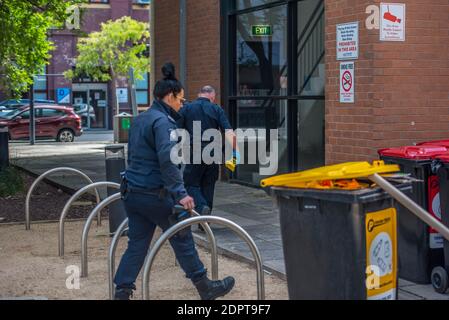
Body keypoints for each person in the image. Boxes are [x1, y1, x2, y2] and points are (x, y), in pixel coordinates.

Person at [113, 63, 235, 300]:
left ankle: (122, 291)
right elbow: (167, 161)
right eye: (180, 99)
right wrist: (180, 193)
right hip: (156, 194)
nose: (182, 104)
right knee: (182, 237)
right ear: (169, 97)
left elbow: (135, 156)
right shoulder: (163, 122)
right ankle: (205, 287)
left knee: (137, 244)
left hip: (133, 192)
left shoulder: (141, 119)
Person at [179, 86, 239, 224]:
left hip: (195, 151)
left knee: (190, 184)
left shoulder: (187, 109)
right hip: (214, 153)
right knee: (209, 185)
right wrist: (235, 153)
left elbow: (177, 130)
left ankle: (201, 207)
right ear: (212, 96)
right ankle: (205, 221)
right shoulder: (216, 109)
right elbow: (230, 133)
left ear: (199, 94)